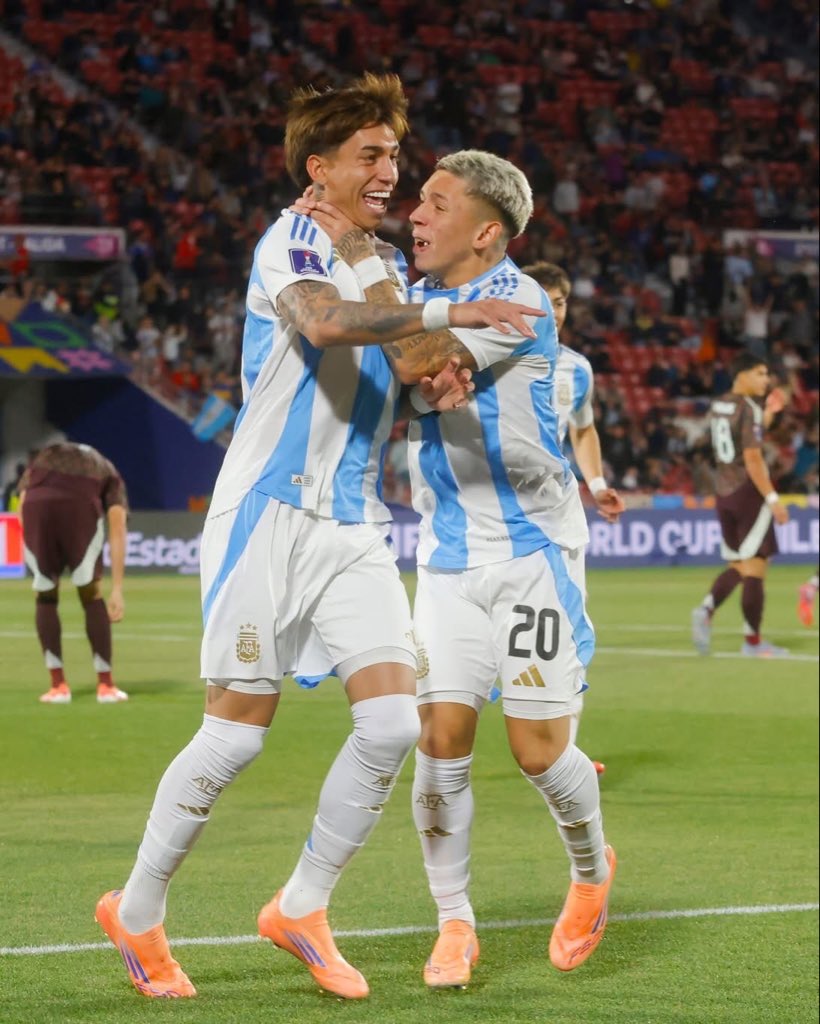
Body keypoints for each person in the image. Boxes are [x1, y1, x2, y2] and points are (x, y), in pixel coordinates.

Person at [94, 74, 542, 1002]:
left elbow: (413, 368)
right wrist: (450, 312)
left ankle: (301, 905)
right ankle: (136, 912)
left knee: (390, 723)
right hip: (269, 513)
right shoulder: (292, 236)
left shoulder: (373, 257)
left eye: (394, 155)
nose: (392, 172)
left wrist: (439, 376)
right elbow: (327, 323)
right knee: (234, 738)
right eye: (373, 157)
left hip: (355, 525)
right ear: (320, 167)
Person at [311, 150, 615, 990]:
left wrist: (361, 261)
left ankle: (590, 872)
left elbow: (413, 362)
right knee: (440, 743)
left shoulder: (516, 301)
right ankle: (455, 921)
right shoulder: (435, 302)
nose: (414, 214)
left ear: (486, 232)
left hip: (530, 558)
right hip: (446, 562)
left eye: (436, 204)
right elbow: (406, 371)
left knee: (539, 751)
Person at [521, 261, 626, 776]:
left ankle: (565, 752)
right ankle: (448, 748)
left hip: (558, 514)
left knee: (567, 627)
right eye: (544, 298)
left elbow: (582, 431)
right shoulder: (485, 356)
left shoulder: (576, 369)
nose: (553, 310)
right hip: (491, 520)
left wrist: (598, 485)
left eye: (560, 302)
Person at [691, 353, 790, 657]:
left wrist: (769, 414)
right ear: (742, 375)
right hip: (748, 492)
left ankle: (707, 608)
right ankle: (753, 642)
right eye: (760, 373)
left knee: (738, 563)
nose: (766, 379)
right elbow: (753, 456)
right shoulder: (749, 408)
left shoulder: (722, 403)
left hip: (724, 491)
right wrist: (772, 499)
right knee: (756, 568)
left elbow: (740, 437)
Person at [17, 442, 128, 704]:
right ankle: (106, 687)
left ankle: (58, 687)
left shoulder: (42, 459)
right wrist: (117, 589)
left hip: (34, 505)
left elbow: (23, 501)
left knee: (44, 592)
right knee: (90, 592)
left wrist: (36, 547)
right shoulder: (109, 473)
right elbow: (118, 526)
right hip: (80, 505)